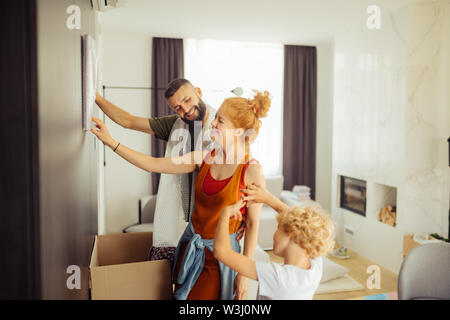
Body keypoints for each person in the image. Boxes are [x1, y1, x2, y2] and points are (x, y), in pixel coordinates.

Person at [90, 90, 271, 300]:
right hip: (190, 251)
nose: (213, 123)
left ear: (239, 132)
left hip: (221, 261)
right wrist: (110, 142)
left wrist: (244, 273)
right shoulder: (204, 158)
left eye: (220, 120)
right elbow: (153, 164)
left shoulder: (252, 171)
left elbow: (252, 225)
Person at [95, 79, 224, 265]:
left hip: (212, 216)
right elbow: (129, 121)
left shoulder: (223, 129)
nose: (185, 110)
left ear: (199, 92)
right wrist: (96, 97)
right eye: (178, 108)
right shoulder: (176, 125)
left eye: (187, 100)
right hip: (183, 215)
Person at [213, 183, 335, 300]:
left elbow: (221, 252)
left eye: (278, 228)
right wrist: (267, 198)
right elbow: (301, 224)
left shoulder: (278, 277)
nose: (274, 235)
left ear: (291, 233)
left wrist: (225, 213)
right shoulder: (315, 267)